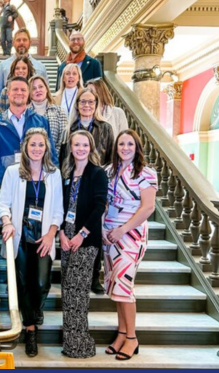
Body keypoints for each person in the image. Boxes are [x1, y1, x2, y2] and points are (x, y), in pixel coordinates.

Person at [0, 127, 64, 358]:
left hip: (43, 234)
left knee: (42, 281)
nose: (36, 149)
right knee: (24, 283)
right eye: (33, 144)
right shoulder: (13, 172)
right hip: (20, 235)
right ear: (25, 147)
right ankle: (31, 329)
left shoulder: (53, 174)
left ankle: (35, 310)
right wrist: (7, 222)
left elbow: (58, 209)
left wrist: (51, 233)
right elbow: (3, 203)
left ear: (47, 148)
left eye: (41, 145)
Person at [103, 129, 157, 361]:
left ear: (137, 148)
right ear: (116, 147)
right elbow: (104, 202)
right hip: (109, 234)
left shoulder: (146, 173)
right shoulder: (109, 171)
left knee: (124, 286)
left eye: (130, 144)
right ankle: (122, 333)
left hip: (130, 235)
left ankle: (132, 338)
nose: (125, 148)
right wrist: (103, 230)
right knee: (115, 287)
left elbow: (148, 207)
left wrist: (122, 230)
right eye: (121, 144)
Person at [59, 130, 108, 359]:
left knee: (78, 293)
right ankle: (71, 342)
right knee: (68, 292)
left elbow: (100, 206)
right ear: (71, 147)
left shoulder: (97, 173)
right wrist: (61, 232)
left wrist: (82, 234)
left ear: (91, 148)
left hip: (85, 241)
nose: (80, 148)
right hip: (66, 239)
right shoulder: (67, 172)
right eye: (76, 144)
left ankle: (81, 345)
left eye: (85, 145)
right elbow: (60, 206)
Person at [0, 77, 57, 186]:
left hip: (38, 183)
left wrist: (51, 179)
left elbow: (51, 155)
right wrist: (8, 181)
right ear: (8, 93)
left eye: (23, 90)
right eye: (15, 89)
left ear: (28, 94)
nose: (19, 93)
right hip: (9, 185)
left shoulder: (41, 122)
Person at [0, 28, 49, 113]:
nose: (21, 42)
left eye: (24, 40)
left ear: (30, 42)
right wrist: (1, 114)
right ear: (13, 43)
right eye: (18, 40)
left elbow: (46, 93)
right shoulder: (3, 66)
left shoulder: (40, 67)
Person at [64, 88, 114, 168]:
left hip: (99, 175)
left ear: (96, 104)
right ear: (77, 104)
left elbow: (111, 158)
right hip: (76, 175)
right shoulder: (70, 129)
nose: (87, 105)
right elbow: (65, 158)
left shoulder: (106, 128)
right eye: (83, 102)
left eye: (91, 102)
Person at [28, 75, 67, 159]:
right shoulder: (25, 113)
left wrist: (52, 157)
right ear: (29, 93)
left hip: (54, 160)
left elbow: (62, 139)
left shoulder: (59, 111)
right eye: (34, 88)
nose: (38, 90)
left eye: (41, 87)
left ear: (46, 89)